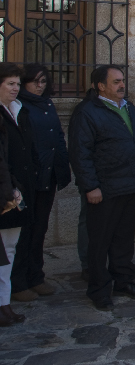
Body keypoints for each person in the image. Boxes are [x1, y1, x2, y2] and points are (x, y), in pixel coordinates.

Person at [68, 65, 135, 309]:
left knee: (123, 239)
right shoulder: (87, 112)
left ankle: (123, 280)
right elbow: (80, 153)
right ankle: (99, 288)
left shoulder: (129, 108)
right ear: (100, 86)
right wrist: (90, 187)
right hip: (105, 188)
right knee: (100, 241)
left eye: (122, 81)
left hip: (130, 185)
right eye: (116, 82)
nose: (122, 85)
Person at [10, 64, 71, 301]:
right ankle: (19, 282)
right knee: (24, 231)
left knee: (39, 229)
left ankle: (36, 276)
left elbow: (57, 137)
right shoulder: (18, 106)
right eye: (35, 81)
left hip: (48, 175)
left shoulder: (46, 105)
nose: (39, 86)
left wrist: (62, 166)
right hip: (29, 178)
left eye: (43, 81)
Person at [0, 63, 30, 326]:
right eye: (10, 83)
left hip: (15, 192)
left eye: (18, 84)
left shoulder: (16, 111)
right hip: (4, 193)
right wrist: (8, 190)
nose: (15, 88)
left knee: (9, 249)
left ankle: (4, 303)